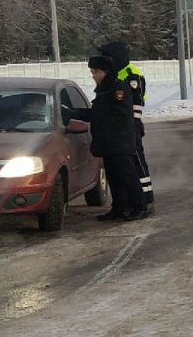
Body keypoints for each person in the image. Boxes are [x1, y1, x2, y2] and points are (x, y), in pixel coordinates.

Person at [65, 60, 146, 221]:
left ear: (105, 72)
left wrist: (101, 125)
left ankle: (139, 207)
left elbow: (118, 115)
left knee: (128, 176)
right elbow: (97, 112)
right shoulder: (104, 89)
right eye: (92, 72)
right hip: (109, 143)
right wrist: (73, 113)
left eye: (96, 72)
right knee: (114, 177)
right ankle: (119, 208)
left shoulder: (118, 88)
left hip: (119, 142)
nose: (93, 75)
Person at [94, 41, 154, 214]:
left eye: (106, 56)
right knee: (120, 166)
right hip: (118, 126)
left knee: (135, 161)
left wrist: (130, 123)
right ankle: (125, 202)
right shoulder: (111, 74)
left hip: (131, 123)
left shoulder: (130, 73)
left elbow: (135, 102)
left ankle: (146, 198)